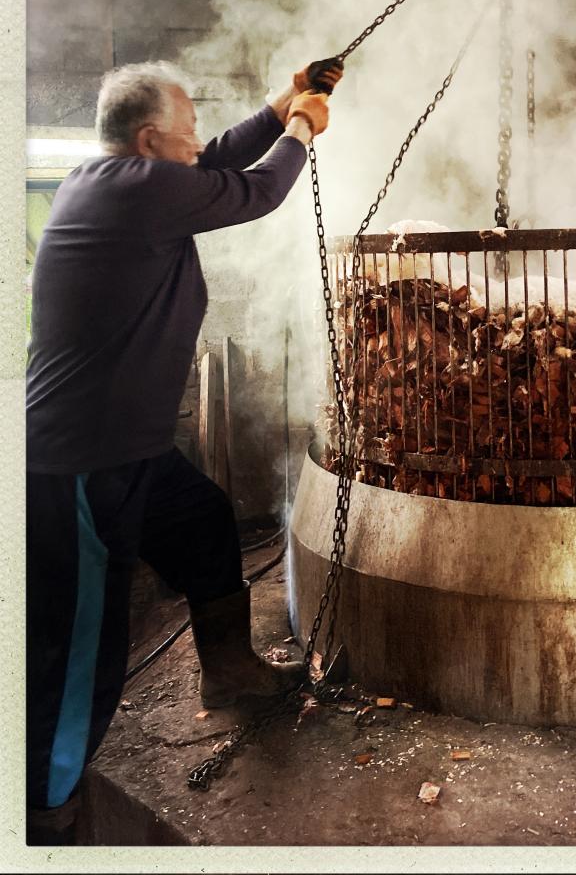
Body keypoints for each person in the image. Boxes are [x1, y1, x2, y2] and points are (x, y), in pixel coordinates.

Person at [25, 56, 343, 845]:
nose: (199, 144)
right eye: (187, 132)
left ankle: (228, 668)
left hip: (130, 448)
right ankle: (47, 801)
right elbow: (260, 188)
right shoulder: (138, 190)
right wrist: (303, 128)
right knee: (84, 642)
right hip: (81, 463)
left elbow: (219, 158)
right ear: (146, 140)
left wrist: (281, 100)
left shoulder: (111, 181)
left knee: (201, 521)